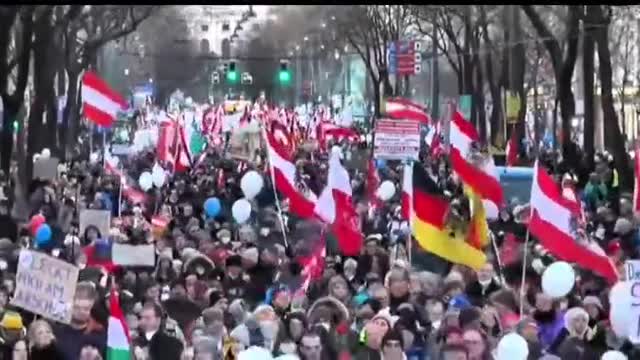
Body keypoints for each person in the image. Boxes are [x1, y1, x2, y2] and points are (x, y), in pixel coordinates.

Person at [53, 282, 106, 360]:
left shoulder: (100, 334)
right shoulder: (56, 332)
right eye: (77, 307)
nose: (81, 312)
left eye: (86, 308)